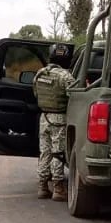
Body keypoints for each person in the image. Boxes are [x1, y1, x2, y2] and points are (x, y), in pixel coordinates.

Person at [31, 43, 76, 200]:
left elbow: (36, 93)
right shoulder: (65, 76)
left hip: (44, 118)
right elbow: (75, 96)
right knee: (57, 153)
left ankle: (42, 186)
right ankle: (58, 188)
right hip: (60, 119)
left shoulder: (39, 74)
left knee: (45, 152)